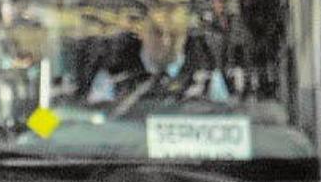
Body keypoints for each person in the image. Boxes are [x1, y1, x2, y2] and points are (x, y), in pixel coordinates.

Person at [84, 7, 230, 116]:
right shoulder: (113, 76)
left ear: (184, 37)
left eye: (174, 34)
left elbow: (224, 120)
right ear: (143, 33)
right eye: (158, 33)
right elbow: (97, 125)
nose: (166, 42)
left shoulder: (208, 77)